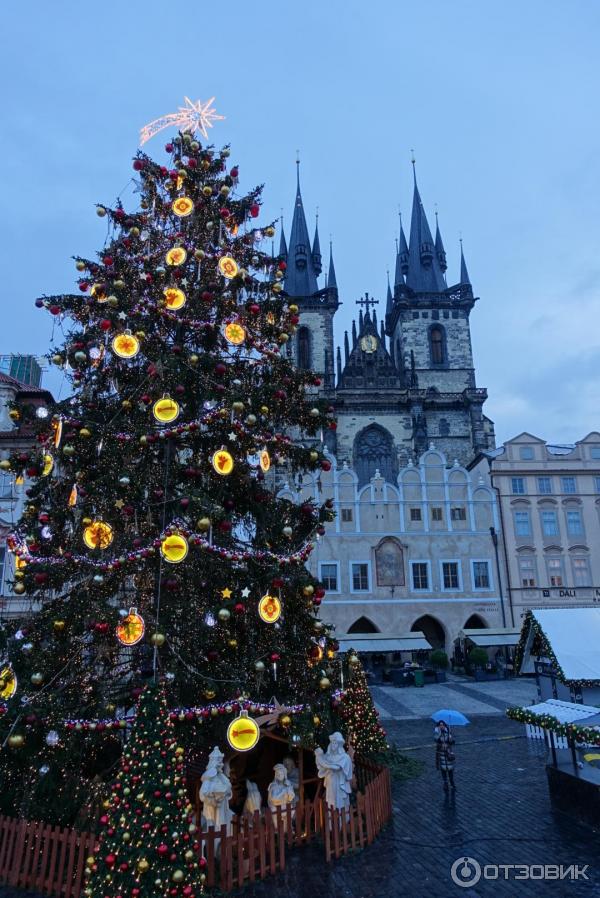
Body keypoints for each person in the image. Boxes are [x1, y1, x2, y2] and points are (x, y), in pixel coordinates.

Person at [315, 732, 353, 811]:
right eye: (332, 742)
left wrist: (326, 764)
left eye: (335, 743)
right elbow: (320, 765)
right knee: (331, 802)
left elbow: (337, 768)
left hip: (339, 783)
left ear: (339, 744)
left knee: (340, 802)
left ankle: (341, 820)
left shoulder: (345, 757)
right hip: (330, 782)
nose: (333, 745)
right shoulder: (329, 756)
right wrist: (318, 756)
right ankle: (332, 820)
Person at [434, 721, 456, 791]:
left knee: (450, 771)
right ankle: (445, 784)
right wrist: (441, 745)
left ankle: (452, 784)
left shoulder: (448, 733)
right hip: (441, 755)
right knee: (443, 771)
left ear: (445, 726)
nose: (441, 726)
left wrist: (450, 742)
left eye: (443, 725)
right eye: (440, 725)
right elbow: (436, 742)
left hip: (448, 755)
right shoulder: (437, 734)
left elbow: (452, 742)